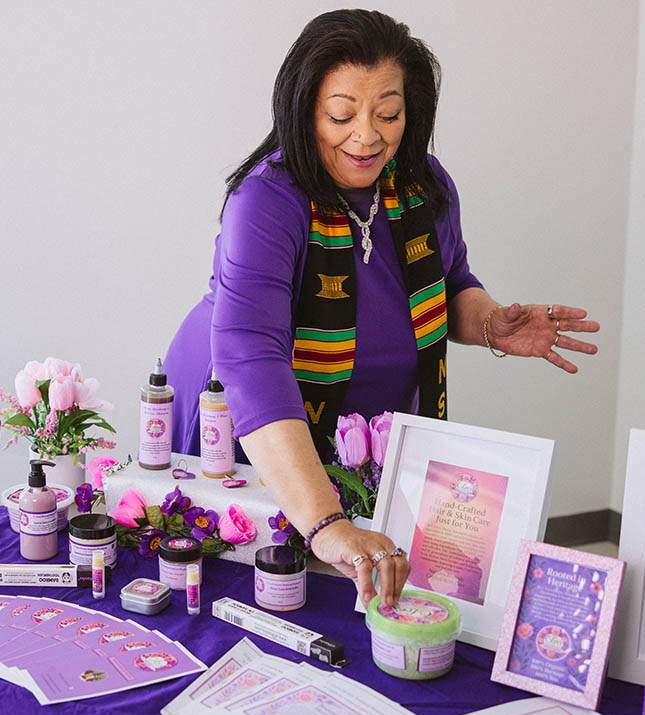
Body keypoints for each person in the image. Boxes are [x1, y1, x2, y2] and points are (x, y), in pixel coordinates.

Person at [163, 9, 599, 610]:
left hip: (360, 417)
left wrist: (492, 323)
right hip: (252, 411)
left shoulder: (423, 183)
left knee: (364, 590)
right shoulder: (267, 199)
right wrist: (324, 522)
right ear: (304, 107)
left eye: (387, 114)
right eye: (341, 115)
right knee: (257, 587)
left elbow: (450, 286)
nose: (367, 136)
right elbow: (254, 360)